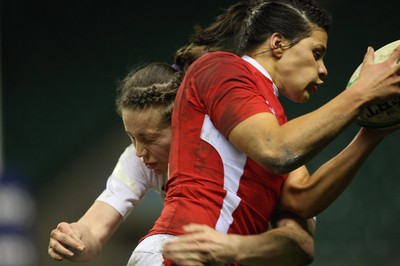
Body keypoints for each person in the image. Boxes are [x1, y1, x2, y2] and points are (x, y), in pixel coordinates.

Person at [128, 0, 400, 265]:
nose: (323, 70)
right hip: (177, 251)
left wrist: (371, 133)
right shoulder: (221, 68)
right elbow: (276, 150)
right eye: (316, 53)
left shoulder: (273, 121)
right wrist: (362, 93)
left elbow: (302, 198)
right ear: (278, 44)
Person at [47, 62, 315, 265]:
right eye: (132, 137)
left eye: (148, 139)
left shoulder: (243, 150)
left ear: (183, 124)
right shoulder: (136, 159)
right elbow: (95, 227)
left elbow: (300, 245)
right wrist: (75, 237)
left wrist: (230, 248)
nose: (139, 150)